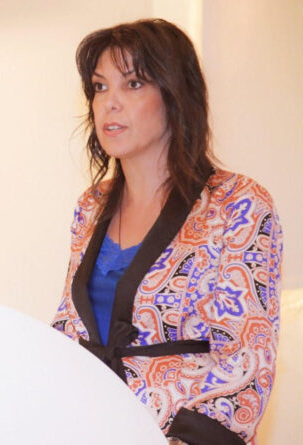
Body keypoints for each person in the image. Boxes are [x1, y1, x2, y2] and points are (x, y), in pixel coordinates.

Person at [50, 19, 282, 445]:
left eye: (133, 83)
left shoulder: (238, 203)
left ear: (175, 95)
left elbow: (245, 363)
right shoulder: (91, 206)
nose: (109, 103)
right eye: (100, 87)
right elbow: (68, 330)